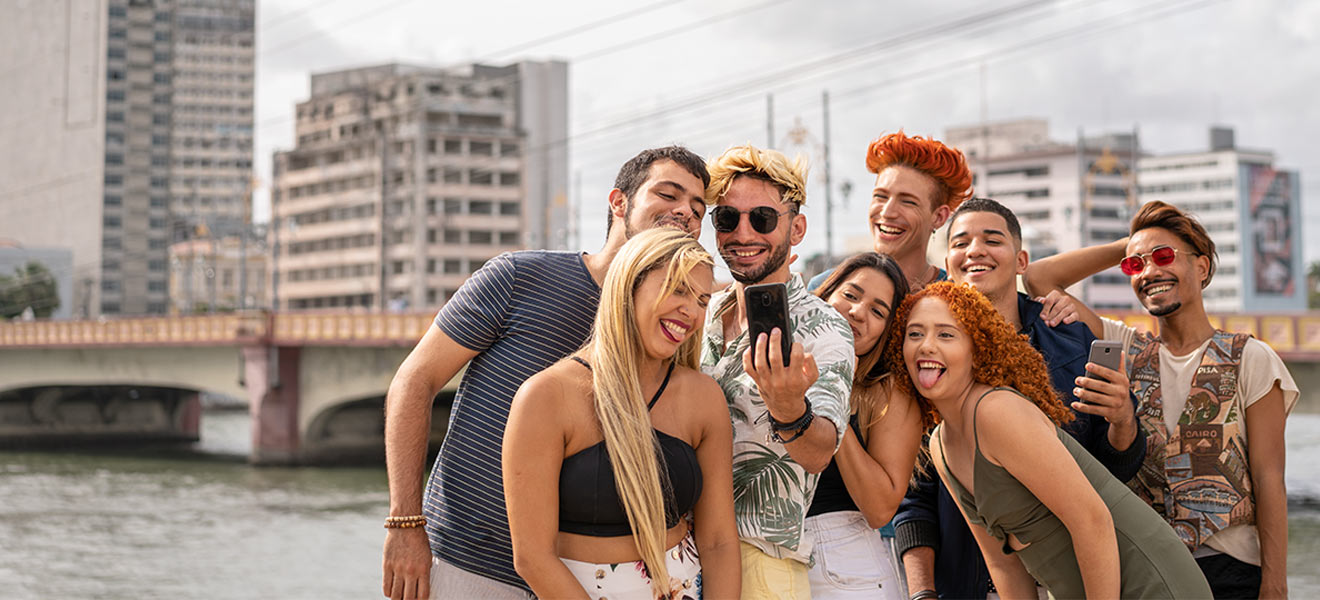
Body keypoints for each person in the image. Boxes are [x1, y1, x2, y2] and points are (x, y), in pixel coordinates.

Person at [381, 146, 711, 600]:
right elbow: (415, 381)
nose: (685, 214)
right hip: (471, 563)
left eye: (698, 208)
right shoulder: (519, 278)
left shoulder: (675, 322)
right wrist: (404, 521)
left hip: (586, 578)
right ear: (619, 202)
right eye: (669, 194)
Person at [1027, 201, 1298, 598]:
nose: (1150, 272)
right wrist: (1132, 243)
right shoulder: (1123, 346)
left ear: (1202, 267)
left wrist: (1275, 586)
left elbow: (1269, 479)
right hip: (1148, 567)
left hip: (1231, 569)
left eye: (1165, 257)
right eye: (1136, 266)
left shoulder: (1252, 359)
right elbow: (1038, 277)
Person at [892, 198, 1146, 600]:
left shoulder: (1071, 338)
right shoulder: (925, 358)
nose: (975, 250)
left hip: (1077, 582)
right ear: (948, 260)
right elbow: (917, 498)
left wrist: (1123, 420)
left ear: (1021, 260)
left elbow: (1115, 473)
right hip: (969, 585)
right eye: (960, 243)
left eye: (992, 240)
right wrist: (923, 593)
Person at [891, 281, 1212, 599]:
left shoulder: (995, 411)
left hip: (1151, 582)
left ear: (977, 350)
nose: (926, 346)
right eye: (915, 334)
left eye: (946, 334)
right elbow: (1002, 564)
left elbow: (1092, 520)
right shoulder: (940, 445)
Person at [502, 229, 740, 600]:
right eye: (677, 289)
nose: (691, 312)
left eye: (701, 300)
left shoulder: (703, 397)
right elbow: (532, 557)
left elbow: (719, 542)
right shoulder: (546, 396)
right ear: (629, 285)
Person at [699, 144, 856, 598]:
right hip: (681, 556)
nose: (743, 233)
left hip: (763, 563)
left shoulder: (825, 329)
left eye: (763, 219)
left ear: (797, 227)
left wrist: (790, 409)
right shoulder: (700, 310)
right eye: (727, 219)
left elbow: (819, 452)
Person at [804, 252, 924, 599]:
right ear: (825, 295)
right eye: (851, 296)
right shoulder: (776, 358)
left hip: (845, 567)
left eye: (877, 311)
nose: (858, 312)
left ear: (886, 332)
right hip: (763, 554)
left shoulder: (888, 392)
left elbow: (880, 508)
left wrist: (832, 397)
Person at [809, 131, 973, 291]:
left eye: (907, 201)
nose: (887, 212)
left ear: (938, 217)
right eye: (880, 196)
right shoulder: (828, 287)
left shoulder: (957, 300)